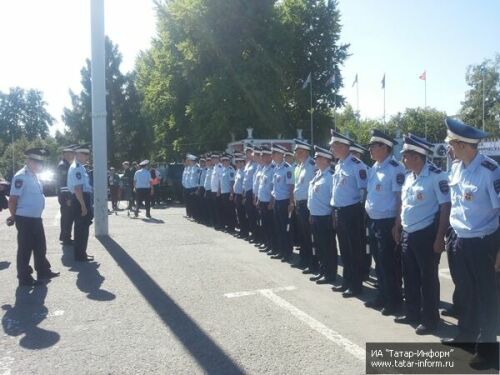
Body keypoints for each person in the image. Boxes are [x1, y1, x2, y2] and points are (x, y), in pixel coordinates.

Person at [440, 118, 499, 369]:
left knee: (487, 297)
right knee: (465, 292)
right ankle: (465, 336)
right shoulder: (456, 168)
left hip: (483, 243)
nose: (449, 148)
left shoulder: (490, 170)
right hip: (459, 239)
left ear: (463, 145)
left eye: (451, 144)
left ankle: (488, 351)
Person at [393, 135, 451, 335]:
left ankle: (430, 319)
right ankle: (412, 313)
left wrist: (439, 238)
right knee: (410, 276)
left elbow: (445, 207)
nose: (403, 160)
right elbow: (405, 205)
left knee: (428, 279)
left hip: (426, 235)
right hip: (408, 232)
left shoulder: (437, 176)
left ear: (417, 157)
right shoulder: (410, 177)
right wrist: (397, 226)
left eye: (406, 156)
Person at [364, 130, 405, 315]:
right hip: (373, 221)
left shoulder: (395, 168)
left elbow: (399, 198)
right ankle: (382, 295)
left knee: (389, 263)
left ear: (385, 148)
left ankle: (394, 300)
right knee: (378, 261)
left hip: (387, 222)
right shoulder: (374, 167)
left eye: (374, 146)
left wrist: (397, 224)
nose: (370, 149)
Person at [8, 148, 60, 286]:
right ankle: (24, 277)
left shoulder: (34, 176)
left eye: (41, 163)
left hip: (36, 218)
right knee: (25, 249)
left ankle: (43, 271)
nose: (40, 165)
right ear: (29, 161)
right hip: (24, 219)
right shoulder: (21, 176)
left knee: (40, 247)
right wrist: (13, 217)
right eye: (37, 162)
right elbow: (12, 199)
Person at [330, 131, 368, 296]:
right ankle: (347, 281)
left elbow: (364, 190)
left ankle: (356, 285)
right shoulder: (339, 164)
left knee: (355, 250)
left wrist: (360, 212)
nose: (331, 148)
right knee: (344, 249)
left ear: (344, 147)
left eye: (334, 145)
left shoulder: (356, 165)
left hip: (352, 211)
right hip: (339, 211)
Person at [307, 146, 335, 284]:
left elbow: (333, 198)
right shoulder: (318, 174)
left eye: (317, 158)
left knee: (327, 247)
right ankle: (323, 270)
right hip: (316, 215)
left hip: (325, 216)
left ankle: (330, 274)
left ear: (325, 160)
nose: (315, 160)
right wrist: (311, 213)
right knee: (319, 246)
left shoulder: (330, 177)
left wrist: (332, 216)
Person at [293, 139, 317, 273]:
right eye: (296, 152)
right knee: (302, 234)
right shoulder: (299, 167)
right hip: (299, 204)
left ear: (305, 152)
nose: (296, 154)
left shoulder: (312, 165)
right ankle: (304, 259)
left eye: (299, 151)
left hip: (308, 205)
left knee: (310, 236)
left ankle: (312, 262)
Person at [67, 144, 94, 262]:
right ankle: (80, 255)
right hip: (80, 199)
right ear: (78, 154)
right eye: (85, 154)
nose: (87, 157)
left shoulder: (81, 167)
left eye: (88, 155)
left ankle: (81, 253)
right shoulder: (77, 167)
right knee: (81, 229)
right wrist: (83, 205)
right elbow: (78, 188)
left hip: (82, 198)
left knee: (83, 228)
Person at [350, 142, 372, 281]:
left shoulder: (366, 169)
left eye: (354, 154)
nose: (352, 156)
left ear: (359, 155)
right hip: (358, 210)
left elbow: (366, 190)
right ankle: (361, 269)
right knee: (359, 242)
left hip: (364, 210)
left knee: (366, 242)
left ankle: (366, 269)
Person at [270, 144, 295, 262]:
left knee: (286, 228)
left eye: (274, 153)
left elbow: (291, 186)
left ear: (280, 154)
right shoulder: (276, 167)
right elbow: (275, 187)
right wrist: (273, 201)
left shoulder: (287, 168)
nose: (272, 156)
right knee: (278, 227)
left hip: (285, 201)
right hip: (277, 201)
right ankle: (281, 251)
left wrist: (291, 202)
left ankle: (287, 252)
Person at [257, 146, 276, 253]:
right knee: (265, 224)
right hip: (262, 200)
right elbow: (261, 185)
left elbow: (273, 187)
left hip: (269, 202)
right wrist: (259, 199)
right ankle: (268, 243)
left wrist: (271, 201)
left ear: (269, 156)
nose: (261, 157)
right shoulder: (264, 168)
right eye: (261, 156)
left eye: (263, 155)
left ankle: (273, 246)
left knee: (271, 225)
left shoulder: (273, 169)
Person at [56, 145, 76, 245]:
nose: (70, 155)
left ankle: (65, 236)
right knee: (67, 217)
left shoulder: (67, 164)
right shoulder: (63, 165)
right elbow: (63, 183)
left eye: (71, 154)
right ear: (64, 155)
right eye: (68, 154)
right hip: (65, 196)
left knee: (67, 217)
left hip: (66, 195)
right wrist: (68, 198)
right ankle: (65, 238)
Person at [242, 144, 257, 241]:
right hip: (246, 191)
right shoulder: (247, 164)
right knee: (248, 214)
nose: (248, 155)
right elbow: (245, 180)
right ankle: (252, 233)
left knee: (253, 215)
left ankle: (256, 235)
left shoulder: (256, 165)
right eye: (247, 153)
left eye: (250, 153)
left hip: (252, 192)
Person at [220, 154, 236, 232]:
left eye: (226, 161)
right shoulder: (223, 169)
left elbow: (232, 182)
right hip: (223, 193)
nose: (224, 162)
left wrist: (231, 194)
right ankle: (228, 225)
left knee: (231, 211)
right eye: (223, 161)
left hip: (228, 193)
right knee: (226, 210)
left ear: (229, 161)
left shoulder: (230, 169)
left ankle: (232, 227)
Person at [233, 153, 248, 238]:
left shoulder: (244, 171)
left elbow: (244, 185)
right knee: (239, 214)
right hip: (237, 195)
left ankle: (245, 232)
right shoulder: (237, 171)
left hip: (242, 195)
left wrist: (244, 197)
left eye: (239, 162)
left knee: (243, 214)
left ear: (243, 162)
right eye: (236, 162)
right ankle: (242, 231)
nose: (237, 163)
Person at [210, 153, 224, 230]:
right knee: (215, 209)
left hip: (217, 191)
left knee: (219, 209)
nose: (212, 160)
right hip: (213, 191)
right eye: (212, 159)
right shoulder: (214, 167)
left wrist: (219, 191)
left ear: (218, 159)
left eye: (214, 158)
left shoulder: (220, 167)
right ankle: (217, 223)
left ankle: (221, 224)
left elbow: (220, 180)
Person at [203, 155, 214, 226]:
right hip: (207, 190)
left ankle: (212, 221)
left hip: (211, 190)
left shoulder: (213, 169)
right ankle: (210, 220)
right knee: (208, 207)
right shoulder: (208, 169)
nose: (206, 162)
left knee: (212, 207)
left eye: (208, 161)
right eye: (206, 161)